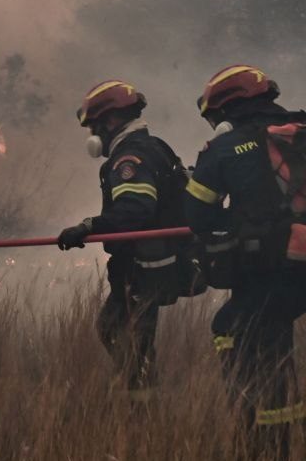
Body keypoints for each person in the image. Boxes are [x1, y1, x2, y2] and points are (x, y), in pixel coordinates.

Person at [185, 65, 306, 459]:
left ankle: (264, 439)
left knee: (237, 330)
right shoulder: (301, 130)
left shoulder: (225, 148)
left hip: (270, 267)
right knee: (266, 335)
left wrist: (236, 217)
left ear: (229, 109)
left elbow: (197, 215)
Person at [56, 80, 196, 402]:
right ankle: (138, 387)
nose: (94, 135)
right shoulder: (154, 146)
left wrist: (88, 226)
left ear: (109, 121)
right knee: (114, 327)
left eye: (94, 126)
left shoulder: (129, 158)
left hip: (143, 268)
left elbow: (135, 211)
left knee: (132, 337)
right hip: (156, 263)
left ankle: (142, 406)